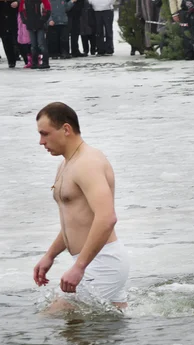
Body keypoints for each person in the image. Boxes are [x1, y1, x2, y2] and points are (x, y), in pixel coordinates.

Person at [33, 102, 130, 310]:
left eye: (45, 134)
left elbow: (107, 218)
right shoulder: (67, 164)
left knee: (51, 322)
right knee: (101, 337)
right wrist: (50, 255)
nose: (41, 142)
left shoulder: (88, 163)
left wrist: (79, 266)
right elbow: (75, 220)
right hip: (94, 260)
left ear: (66, 129)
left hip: (102, 261)